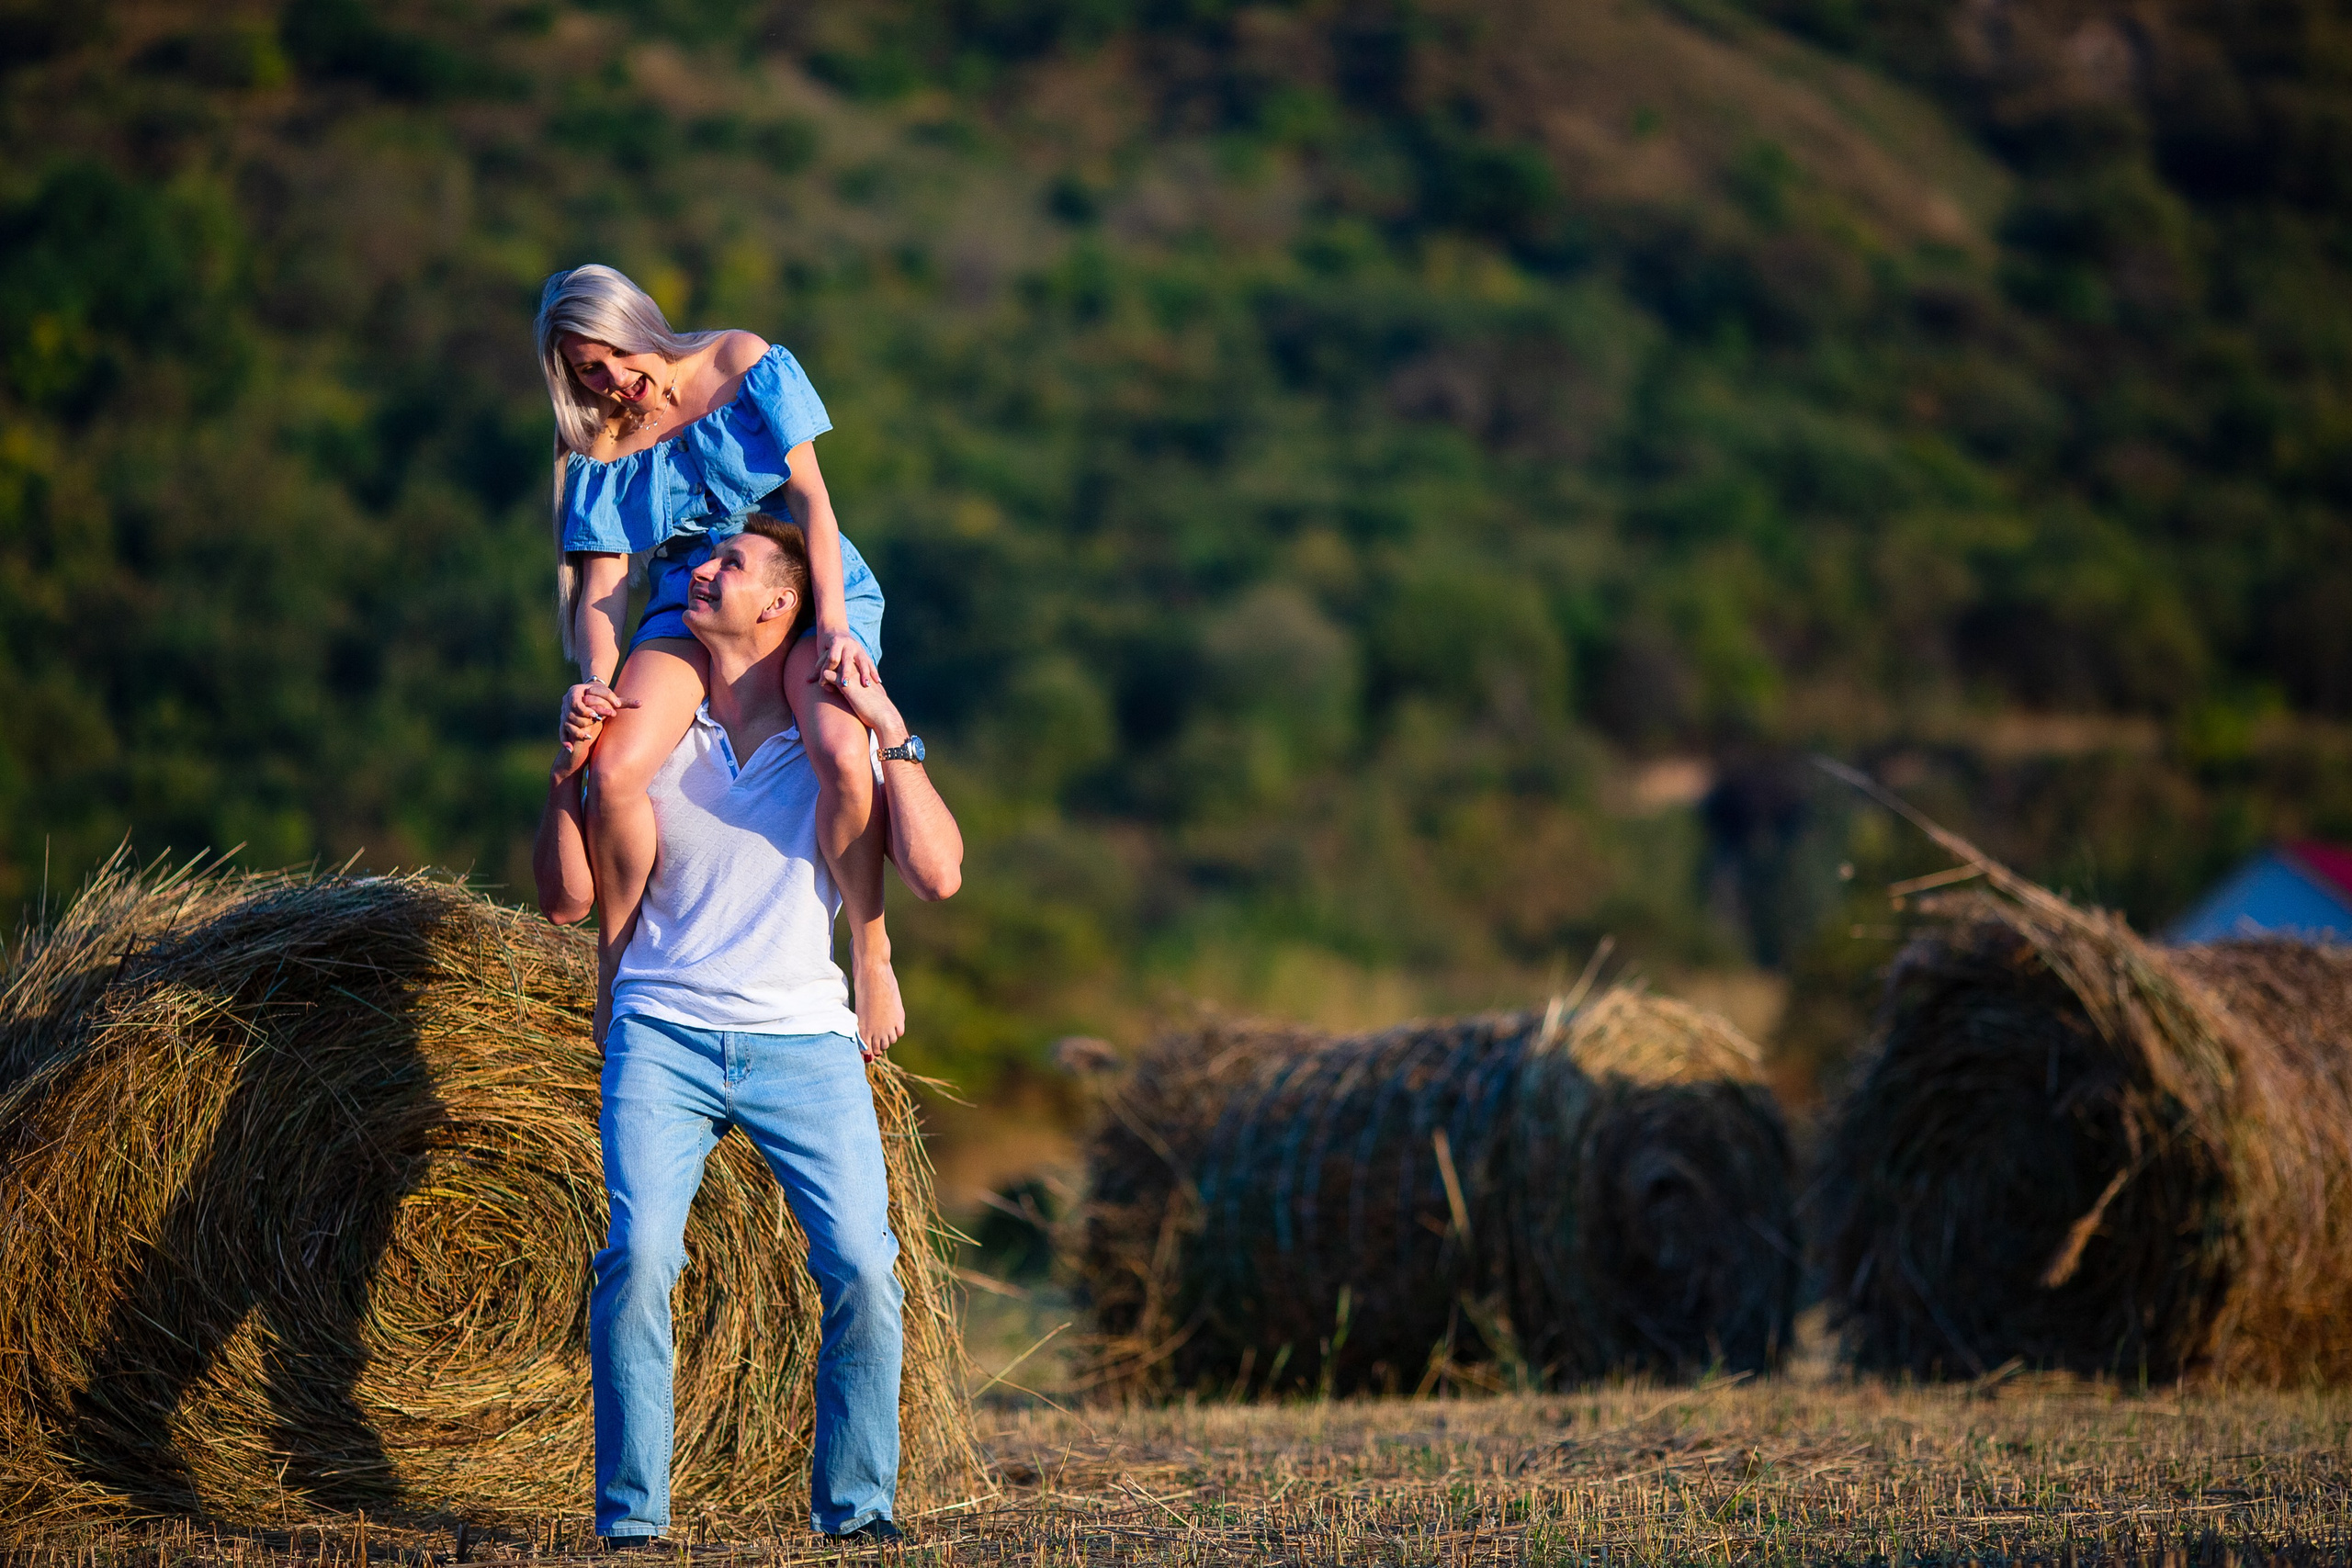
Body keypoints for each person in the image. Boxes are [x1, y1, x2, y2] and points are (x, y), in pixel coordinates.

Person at [534, 513, 963, 1544]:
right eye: (700, 558)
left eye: (729, 564)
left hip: (803, 1039)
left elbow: (941, 872)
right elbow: (565, 902)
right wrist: (566, 772)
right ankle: (632, 1523)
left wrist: (887, 722)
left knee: (863, 1266)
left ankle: (857, 1513)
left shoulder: (833, 748)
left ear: (780, 602)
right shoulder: (650, 736)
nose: (698, 570)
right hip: (662, 1030)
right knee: (636, 1259)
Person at [533, 264, 904, 1055]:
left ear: (639, 326)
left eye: (613, 357)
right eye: (587, 372)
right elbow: (603, 591)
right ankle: (617, 965)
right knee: (617, 763)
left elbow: (812, 499)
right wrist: (594, 684)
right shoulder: (600, 438)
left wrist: (833, 623)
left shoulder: (741, 359)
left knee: (841, 745)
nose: (611, 381)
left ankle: (870, 945)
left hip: (793, 579)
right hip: (691, 598)